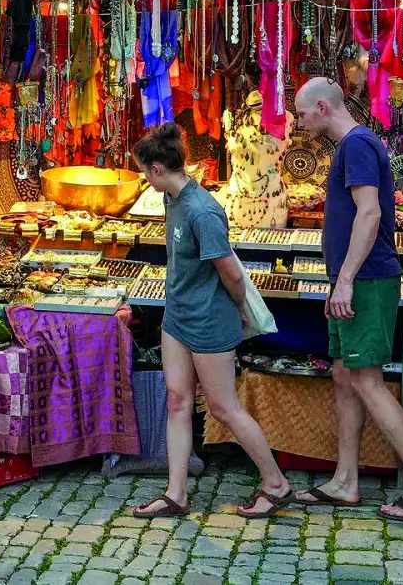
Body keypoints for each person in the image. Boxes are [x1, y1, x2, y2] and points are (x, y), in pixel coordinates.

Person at [290, 76, 403, 521]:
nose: (299, 123)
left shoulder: (357, 145)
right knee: (344, 374)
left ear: (322, 107)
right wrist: (340, 277)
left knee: (366, 380)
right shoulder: (354, 144)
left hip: (367, 279)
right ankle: (345, 480)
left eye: (301, 114)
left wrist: (346, 281)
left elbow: (371, 212)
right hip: (355, 278)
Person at [129, 122, 294, 520]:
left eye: (142, 170)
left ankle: (276, 484)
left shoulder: (202, 211)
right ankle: (176, 493)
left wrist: (239, 309)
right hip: (179, 318)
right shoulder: (173, 198)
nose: (142, 177)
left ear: (155, 169)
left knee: (223, 407)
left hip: (208, 320)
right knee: (178, 401)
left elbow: (232, 273)